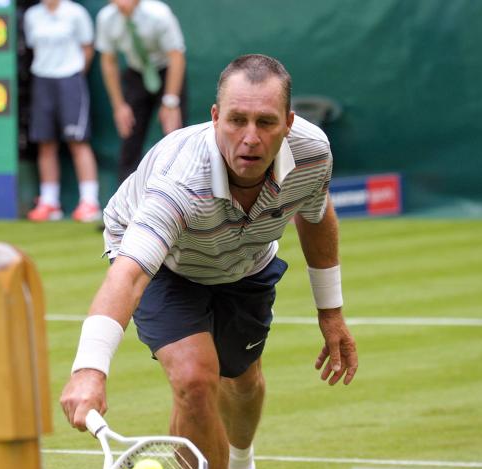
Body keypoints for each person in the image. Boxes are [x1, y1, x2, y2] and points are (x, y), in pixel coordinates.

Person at [60, 54, 358, 469]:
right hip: (169, 262)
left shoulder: (312, 154)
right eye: (236, 120)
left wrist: (331, 313)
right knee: (195, 381)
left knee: (242, 381)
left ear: (288, 124)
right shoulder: (179, 182)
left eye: (266, 122)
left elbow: (315, 215)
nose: (250, 137)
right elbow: (128, 277)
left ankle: (241, 459)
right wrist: (89, 369)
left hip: (245, 262)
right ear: (215, 117)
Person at [24, 0, 102, 222]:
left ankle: (89, 202)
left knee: (77, 141)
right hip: (42, 79)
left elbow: (87, 49)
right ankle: (49, 202)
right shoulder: (32, 15)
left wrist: (73, 73)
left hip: (70, 80)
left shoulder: (76, 13)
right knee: (45, 142)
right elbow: (33, 47)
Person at [95, 0, 187, 183]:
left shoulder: (159, 14)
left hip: (167, 72)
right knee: (129, 135)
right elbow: (108, 61)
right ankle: (125, 203)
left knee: (175, 136)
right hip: (136, 75)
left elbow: (176, 56)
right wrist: (119, 106)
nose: (121, 3)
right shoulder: (106, 19)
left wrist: (170, 101)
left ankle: (181, 194)